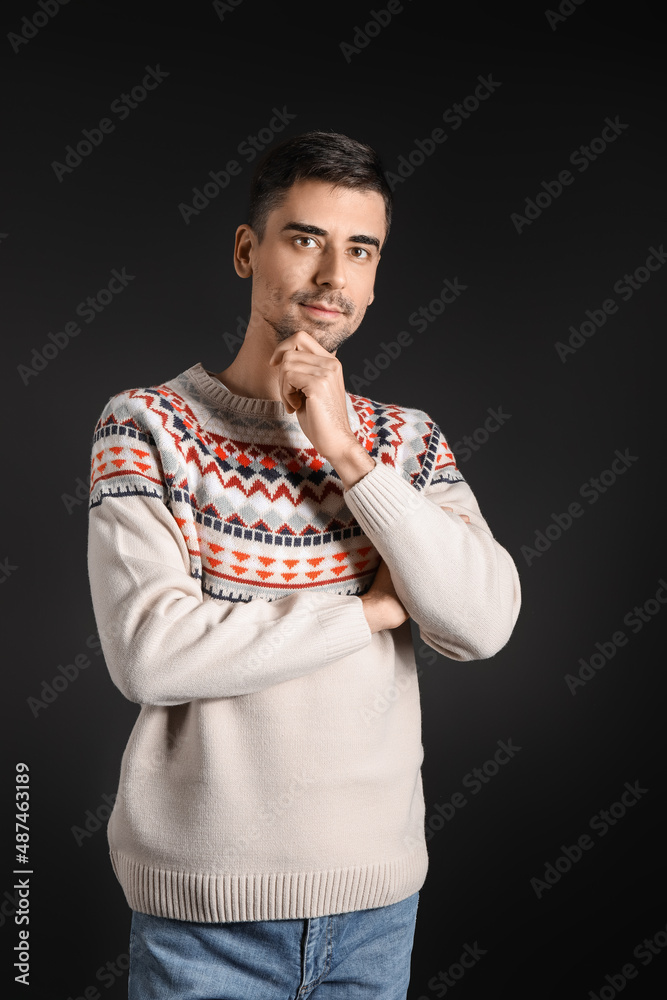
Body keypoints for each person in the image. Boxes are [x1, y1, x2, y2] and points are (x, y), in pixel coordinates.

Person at [87, 130, 521, 999]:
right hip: (203, 921)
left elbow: (480, 623)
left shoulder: (408, 441)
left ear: (374, 276)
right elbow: (151, 655)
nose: (332, 276)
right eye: (304, 239)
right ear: (247, 250)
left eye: (358, 250)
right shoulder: (146, 427)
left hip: (377, 909)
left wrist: (349, 459)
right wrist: (368, 613)